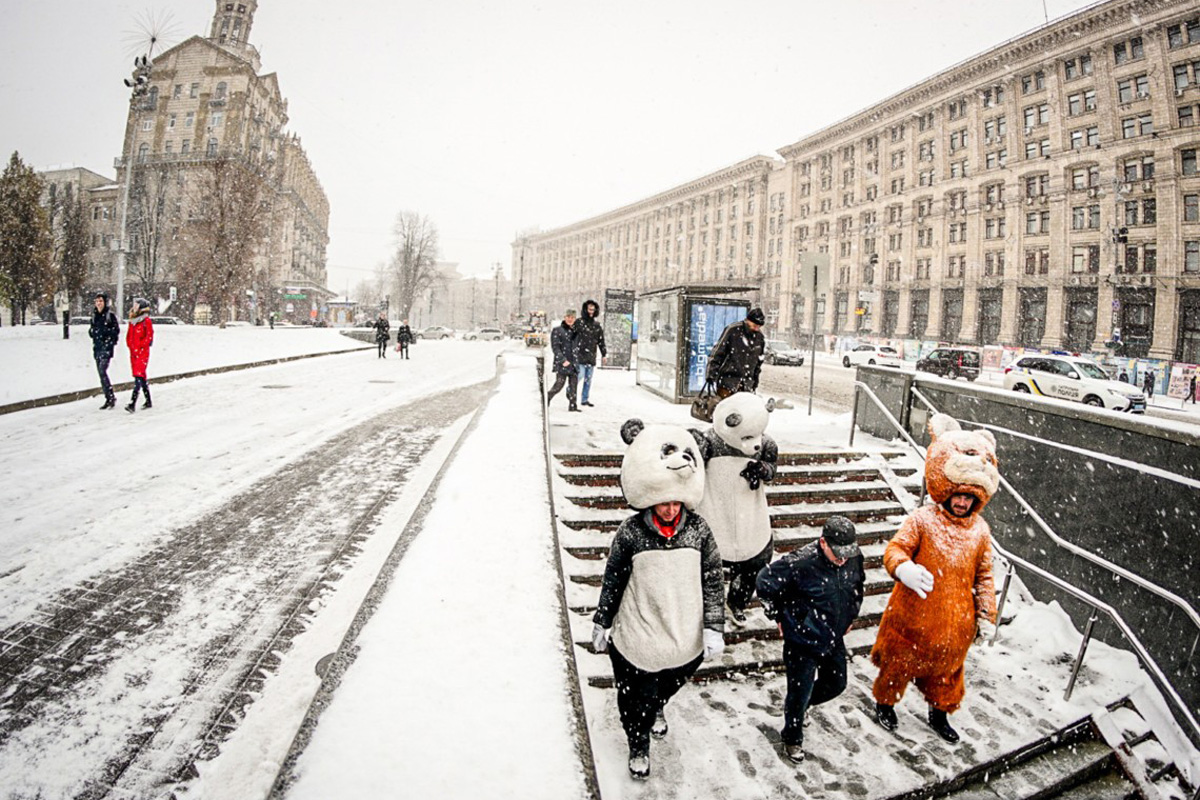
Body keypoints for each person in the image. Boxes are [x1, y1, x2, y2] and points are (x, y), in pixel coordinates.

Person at [592, 420, 724, 780]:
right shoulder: (632, 532)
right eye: (663, 503)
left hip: (682, 634)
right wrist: (603, 620)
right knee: (633, 698)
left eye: (675, 502)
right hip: (638, 634)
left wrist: (714, 625)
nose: (669, 510)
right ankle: (638, 743)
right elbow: (614, 578)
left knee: (668, 682)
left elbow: (713, 580)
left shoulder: (698, 530)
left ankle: (657, 705)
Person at [871, 413, 998, 744]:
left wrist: (986, 615)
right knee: (896, 668)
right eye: (958, 495)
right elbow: (895, 550)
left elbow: (984, 576)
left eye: (968, 497)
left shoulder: (980, 531)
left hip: (955, 628)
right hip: (911, 621)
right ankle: (885, 705)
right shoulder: (922, 519)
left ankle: (939, 715)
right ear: (947, 490)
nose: (962, 502)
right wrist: (904, 569)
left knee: (946, 677)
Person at [756, 515, 865, 763]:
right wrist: (778, 616)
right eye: (838, 553)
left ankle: (805, 705)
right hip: (802, 640)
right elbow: (764, 581)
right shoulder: (800, 562)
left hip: (833, 635)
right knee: (799, 691)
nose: (843, 559)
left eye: (847, 552)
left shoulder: (853, 557)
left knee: (836, 683)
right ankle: (792, 738)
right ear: (823, 542)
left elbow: (858, 586)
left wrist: (851, 616)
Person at [691, 392, 778, 625]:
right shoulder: (710, 441)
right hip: (715, 510)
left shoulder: (766, 443)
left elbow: (772, 468)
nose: (755, 444)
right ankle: (709, 605)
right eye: (748, 436)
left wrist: (763, 470)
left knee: (755, 561)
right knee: (709, 563)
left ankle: (737, 601)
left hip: (750, 513)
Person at [706, 308, 766, 399]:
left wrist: (754, 382)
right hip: (727, 383)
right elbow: (717, 353)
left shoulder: (760, 337)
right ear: (748, 320)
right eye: (755, 325)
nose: (757, 328)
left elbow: (758, 362)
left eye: (759, 326)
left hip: (746, 386)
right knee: (725, 407)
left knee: (743, 408)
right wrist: (711, 374)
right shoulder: (733, 330)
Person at [88, 292, 121, 410]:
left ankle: (110, 397)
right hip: (97, 348)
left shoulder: (110, 316)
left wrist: (108, 339)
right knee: (101, 374)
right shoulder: (94, 316)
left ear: (105, 302)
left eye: (101, 301)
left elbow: (116, 331)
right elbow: (91, 331)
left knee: (102, 371)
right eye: (97, 301)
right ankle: (109, 397)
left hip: (106, 348)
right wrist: (93, 332)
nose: (98, 303)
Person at [573, 299, 607, 407]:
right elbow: (572, 337)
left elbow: (601, 341)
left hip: (591, 356)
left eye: (593, 309)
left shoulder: (597, 325)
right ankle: (570, 390)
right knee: (580, 376)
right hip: (580, 355)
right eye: (589, 309)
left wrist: (604, 354)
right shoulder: (579, 323)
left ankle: (585, 399)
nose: (591, 312)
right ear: (585, 309)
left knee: (588, 380)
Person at [546, 309, 580, 412]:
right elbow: (555, 347)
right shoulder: (557, 330)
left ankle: (573, 405)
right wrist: (562, 360)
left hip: (574, 363)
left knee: (573, 386)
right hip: (563, 363)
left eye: (572, 317)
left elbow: (579, 346)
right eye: (568, 317)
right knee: (559, 385)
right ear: (565, 317)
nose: (570, 319)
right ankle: (547, 398)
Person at [125, 298, 155, 413]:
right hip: (133, 352)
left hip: (142, 352)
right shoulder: (132, 321)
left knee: (138, 375)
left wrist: (141, 346)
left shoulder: (146, 321)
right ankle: (148, 400)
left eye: (137, 305)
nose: (134, 307)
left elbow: (149, 336)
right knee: (141, 376)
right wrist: (130, 345)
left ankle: (132, 402)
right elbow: (129, 336)